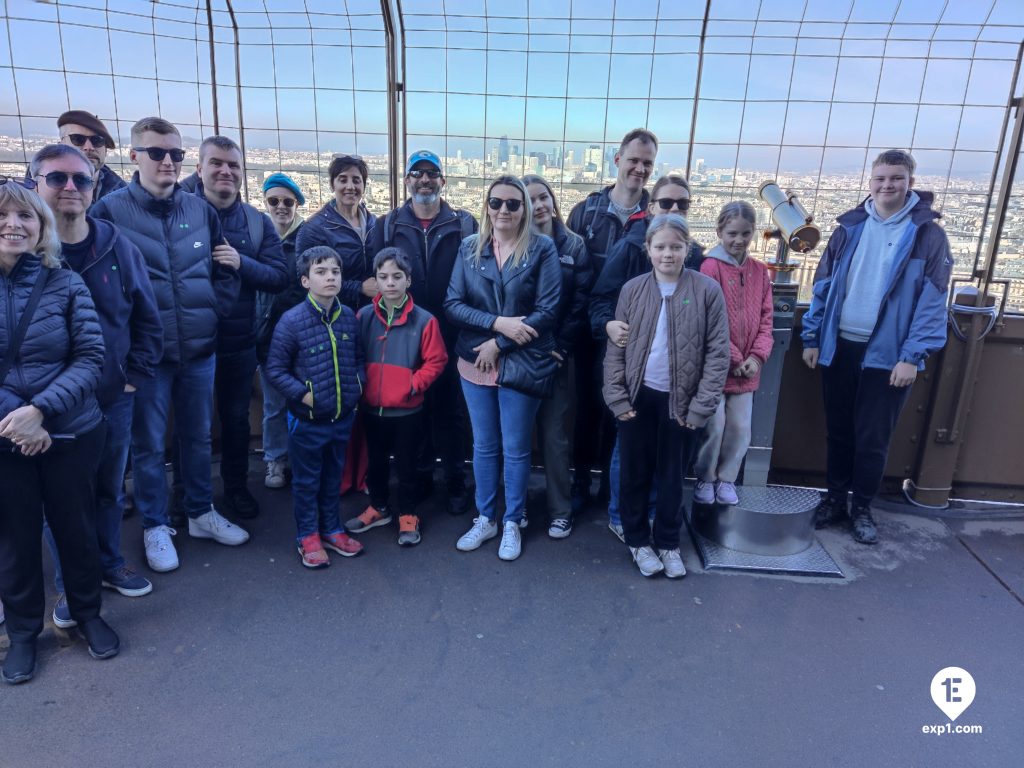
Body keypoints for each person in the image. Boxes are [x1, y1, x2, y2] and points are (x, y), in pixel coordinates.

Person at [91, 117, 243, 573]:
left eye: (175, 154)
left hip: (199, 348)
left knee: (198, 437)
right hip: (145, 357)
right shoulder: (110, 213)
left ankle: (199, 512)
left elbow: (225, 267)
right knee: (149, 445)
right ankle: (157, 524)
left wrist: (214, 308)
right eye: (157, 152)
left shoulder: (200, 212)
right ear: (134, 156)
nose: (167, 162)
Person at [31, 144, 163, 624]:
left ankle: (108, 563)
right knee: (60, 502)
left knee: (109, 488)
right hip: (49, 407)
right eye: (57, 179)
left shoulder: (115, 245)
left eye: (80, 180)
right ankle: (72, 585)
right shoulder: (24, 250)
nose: (70, 188)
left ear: (94, 186)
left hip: (112, 396)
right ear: (35, 185)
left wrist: (132, 379)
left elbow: (147, 317)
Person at [0, 176, 119, 684]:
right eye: (4, 215)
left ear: (42, 225)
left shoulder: (65, 282)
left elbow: (91, 356)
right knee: (15, 538)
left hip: (69, 429)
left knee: (76, 529)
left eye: (25, 215)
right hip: (7, 436)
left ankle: (88, 614)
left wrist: (41, 412)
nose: (13, 224)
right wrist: (18, 419)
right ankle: (25, 632)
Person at [801, 149, 952, 544]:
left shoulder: (927, 236)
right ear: (870, 183)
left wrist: (911, 356)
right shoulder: (849, 228)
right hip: (841, 345)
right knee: (839, 431)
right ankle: (835, 499)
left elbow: (932, 300)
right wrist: (814, 336)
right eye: (881, 178)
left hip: (889, 356)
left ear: (910, 183)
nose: (888, 186)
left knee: (872, 439)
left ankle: (862, 507)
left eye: (896, 179)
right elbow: (823, 285)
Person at [603, 214, 729, 579]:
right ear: (648, 250)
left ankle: (669, 543)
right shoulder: (633, 290)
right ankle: (638, 542)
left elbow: (718, 353)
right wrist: (618, 398)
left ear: (687, 249)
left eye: (676, 247)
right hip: (638, 398)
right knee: (634, 474)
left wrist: (701, 406)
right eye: (660, 247)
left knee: (673, 477)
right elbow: (617, 350)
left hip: (682, 402)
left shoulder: (706, 291)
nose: (668, 254)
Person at [446, 176, 561, 562]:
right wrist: (497, 325)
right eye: (497, 203)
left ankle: (511, 520)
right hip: (474, 359)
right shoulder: (468, 247)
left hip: (518, 361)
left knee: (514, 448)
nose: (504, 211)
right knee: (484, 445)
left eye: (514, 204)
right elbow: (452, 303)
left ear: (525, 209)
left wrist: (501, 343)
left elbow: (548, 310)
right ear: (486, 207)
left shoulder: (542, 248)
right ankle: (485, 517)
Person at [588, 173, 705, 540]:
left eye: (681, 204)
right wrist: (607, 325)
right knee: (629, 449)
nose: (673, 209)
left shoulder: (696, 256)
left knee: (664, 452)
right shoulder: (629, 248)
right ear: (650, 207)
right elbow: (599, 301)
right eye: (666, 202)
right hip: (634, 369)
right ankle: (622, 516)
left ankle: (652, 514)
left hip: (675, 373)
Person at [368, 150, 477, 516]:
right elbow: (371, 278)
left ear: (443, 181)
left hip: (452, 331)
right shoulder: (386, 225)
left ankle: (456, 479)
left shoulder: (465, 224)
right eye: (418, 172)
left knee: (451, 412)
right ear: (407, 180)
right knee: (416, 411)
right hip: (403, 332)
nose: (425, 179)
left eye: (432, 173)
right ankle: (422, 476)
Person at [195, 136, 288, 520]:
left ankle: (234, 489)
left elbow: (278, 276)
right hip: (188, 340)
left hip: (236, 340)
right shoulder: (177, 210)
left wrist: (239, 263)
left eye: (234, 165)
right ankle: (190, 496)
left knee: (234, 420)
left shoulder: (255, 221)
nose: (225, 171)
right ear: (199, 167)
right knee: (193, 423)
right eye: (217, 163)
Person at [566, 128, 658, 516]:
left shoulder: (656, 217)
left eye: (647, 163)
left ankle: (609, 485)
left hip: (637, 335)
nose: (639, 168)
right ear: (616, 159)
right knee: (586, 409)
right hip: (591, 331)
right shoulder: (585, 211)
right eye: (634, 159)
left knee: (619, 412)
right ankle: (581, 482)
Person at [265, 246, 366, 568]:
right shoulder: (291, 321)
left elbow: (359, 359)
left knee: (333, 477)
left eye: (335, 271)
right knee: (307, 481)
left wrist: (356, 387)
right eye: (321, 272)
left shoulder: (349, 317)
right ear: (306, 280)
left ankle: (332, 529)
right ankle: (307, 535)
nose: (330, 277)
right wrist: (303, 395)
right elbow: (276, 369)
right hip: (307, 419)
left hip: (341, 416)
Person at [346, 248, 448, 546]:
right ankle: (378, 507)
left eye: (397, 277)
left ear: (408, 280)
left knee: (407, 466)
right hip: (372, 409)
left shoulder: (425, 320)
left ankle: (408, 514)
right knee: (376, 463)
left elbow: (437, 360)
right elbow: (353, 354)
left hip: (407, 410)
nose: (390, 283)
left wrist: (413, 385)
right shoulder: (363, 316)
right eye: (383, 277)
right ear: (375, 281)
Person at [521, 174, 591, 539]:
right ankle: (514, 509)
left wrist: (561, 347)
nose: (539, 205)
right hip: (519, 352)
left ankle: (559, 509)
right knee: (515, 436)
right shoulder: (514, 244)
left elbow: (580, 302)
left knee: (554, 435)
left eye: (543, 196)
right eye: (530, 199)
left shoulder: (573, 245)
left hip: (556, 353)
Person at [693, 201, 774, 506]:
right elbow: (708, 320)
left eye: (745, 234)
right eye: (732, 233)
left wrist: (756, 357)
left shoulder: (759, 271)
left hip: (747, 370)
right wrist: (738, 359)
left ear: (753, 233)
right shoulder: (709, 268)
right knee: (713, 427)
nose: (738, 240)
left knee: (740, 428)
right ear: (719, 232)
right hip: (716, 367)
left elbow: (767, 319)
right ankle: (706, 477)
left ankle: (726, 479)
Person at [256, 172, 307, 490]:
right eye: (273, 201)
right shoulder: (259, 237)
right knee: (274, 404)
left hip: (301, 335)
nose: (280, 207)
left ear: (297, 204)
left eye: (287, 201)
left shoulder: (307, 237)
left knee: (301, 402)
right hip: (268, 335)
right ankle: (276, 459)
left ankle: (296, 458)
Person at [295, 154, 377, 311]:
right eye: (343, 179)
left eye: (356, 180)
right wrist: (358, 288)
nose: (350, 186)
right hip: (332, 312)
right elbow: (304, 279)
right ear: (332, 185)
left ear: (364, 186)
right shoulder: (314, 228)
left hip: (371, 312)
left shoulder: (374, 223)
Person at [57, 110, 125, 206]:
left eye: (97, 140)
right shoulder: (39, 190)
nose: (89, 147)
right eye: (78, 139)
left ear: (105, 149)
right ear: (61, 147)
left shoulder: (123, 194)